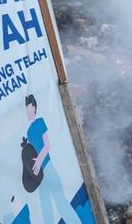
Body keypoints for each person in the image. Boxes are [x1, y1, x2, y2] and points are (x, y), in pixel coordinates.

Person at [24, 94, 80, 224]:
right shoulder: (28, 130)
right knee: (45, 207)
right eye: (26, 108)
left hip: (47, 167)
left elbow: (47, 145)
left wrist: (39, 161)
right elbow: (33, 149)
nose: (27, 111)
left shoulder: (39, 122)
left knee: (60, 201)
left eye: (29, 107)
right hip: (38, 173)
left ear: (34, 107)